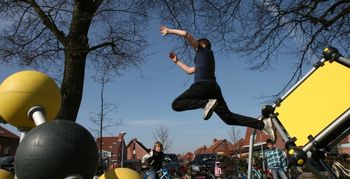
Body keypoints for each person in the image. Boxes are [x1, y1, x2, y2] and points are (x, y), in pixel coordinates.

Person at [159, 26, 275, 139]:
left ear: (201, 45)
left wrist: (169, 31)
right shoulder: (205, 59)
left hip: (203, 86)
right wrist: (177, 61)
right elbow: (190, 70)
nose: (193, 48)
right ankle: (263, 125)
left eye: (195, 46)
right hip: (213, 90)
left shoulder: (202, 50)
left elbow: (186, 34)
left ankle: (205, 104)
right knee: (229, 118)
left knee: (176, 104)